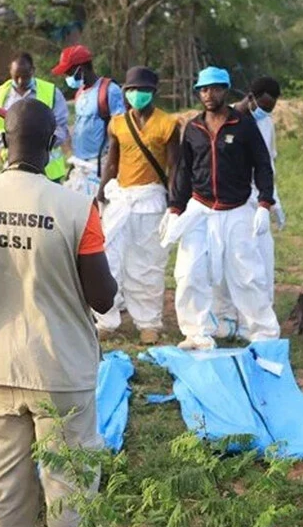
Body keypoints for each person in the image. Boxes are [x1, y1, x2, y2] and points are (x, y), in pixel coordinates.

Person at [0, 97, 117, 527]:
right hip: (60, 370)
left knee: (6, 491)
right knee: (69, 492)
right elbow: (102, 298)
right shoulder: (77, 208)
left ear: (2, 142)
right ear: (55, 144)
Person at [162, 66, 279, 351]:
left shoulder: (243, 125)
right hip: (200, 208)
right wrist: (175, 208)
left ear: (225, 90)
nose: (209, 94)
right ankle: (196, 332)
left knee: (247, 274)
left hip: (237, 209)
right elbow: (183, 170)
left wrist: (264, 203)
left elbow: (263, 164)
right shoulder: (193, 128)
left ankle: (262, 333)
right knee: (189, 272)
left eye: (214, 88)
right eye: (203, 89)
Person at [95, 66, 180, 345]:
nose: (136, 95)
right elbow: (112, 161)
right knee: (109, 258)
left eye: (142, 90)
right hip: (120, 199)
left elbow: (175, 166)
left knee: (148, 263)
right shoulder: (117, 123)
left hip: (151, 200)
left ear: (153, 92)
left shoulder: (168, 124)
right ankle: (106, 319)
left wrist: (174, 202)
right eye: (131, 90)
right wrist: (100, 191)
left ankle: (149, 322)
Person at [215, 75, 286, 337]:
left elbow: (268, 165)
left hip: (258, 200)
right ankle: (226, 318)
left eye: (270, 109)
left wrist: (272, 201)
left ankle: (252, 322)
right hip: (231, 200)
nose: (265, 113)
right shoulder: (225, 118)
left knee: (260, 264)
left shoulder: (265, 124)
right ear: (251, 97)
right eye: (263, 106)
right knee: (227, 262)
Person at [51, 45, 124, 197]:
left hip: (100, 167)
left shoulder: (110, 91)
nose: (67, 77)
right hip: (80, 166)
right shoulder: (80, 93)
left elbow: (121, 132)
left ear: (81, 68)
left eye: (69, 72)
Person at [0, 53, 69, 181]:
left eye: (25, 77)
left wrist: (38, 145)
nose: (20, 81)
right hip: (12, 170)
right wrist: (16, 145)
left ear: (32, 70)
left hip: (48, 172)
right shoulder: (0, 96)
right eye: (16, 77)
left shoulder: (51, 92)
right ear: (10, 71)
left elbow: (61, 129)